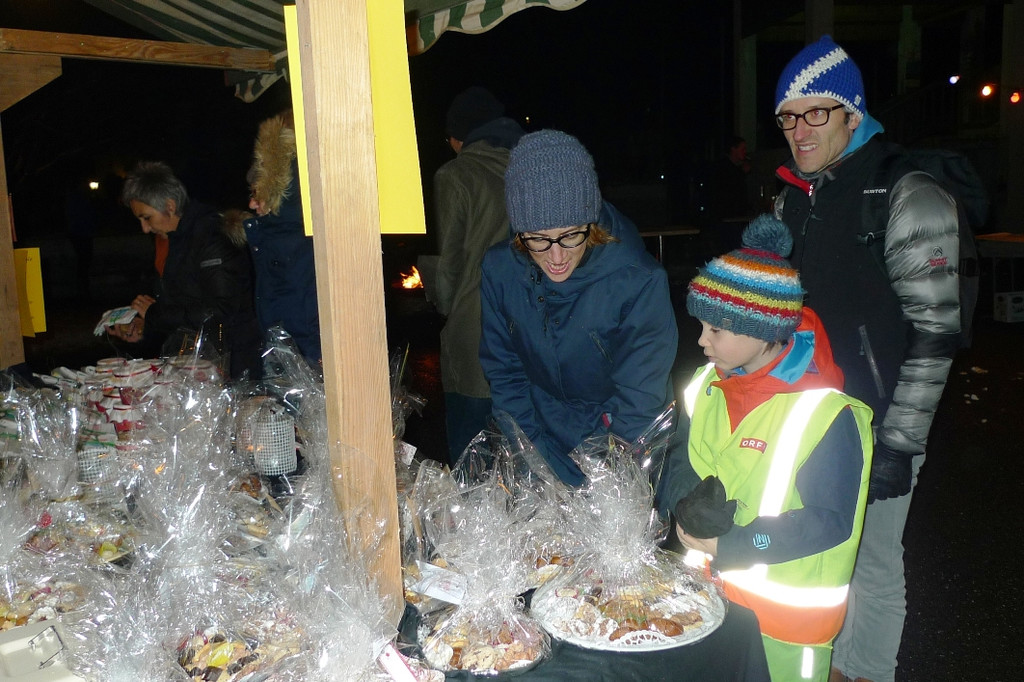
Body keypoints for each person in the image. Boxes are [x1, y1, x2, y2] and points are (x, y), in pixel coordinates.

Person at [771, 35, 962, 682]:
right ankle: (832, 667)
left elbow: (935, 332)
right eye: (787, 117)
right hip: (810, 418)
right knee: (823, 556)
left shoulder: (906, 194)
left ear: (852, 114)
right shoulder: (796, 195)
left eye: (815, 112)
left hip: (878, 417)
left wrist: (900, 443)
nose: (799, 130)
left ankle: (868, 672)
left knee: (874, 563)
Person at [661, 214, 874, 682]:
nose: (701, 340)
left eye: (717, 330)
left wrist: (736, 543)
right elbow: (679, 456)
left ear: (762, 331)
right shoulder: (705, 385)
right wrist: (684, 504)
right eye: (701, 325)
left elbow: (829, 520)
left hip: (785, 629)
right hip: (707, 603)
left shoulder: (825, 414)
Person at [478, 129, 678, 486]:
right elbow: (505, 374)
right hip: (538, 434)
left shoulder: (639, 280)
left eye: (571, 235)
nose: (556, 257)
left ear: (591, 222)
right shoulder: (500, 271)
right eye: (538, 239)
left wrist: (606, 477)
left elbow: (640, 399)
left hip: (620, 441)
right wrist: (534, 459)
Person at [433, 86, 524, 463]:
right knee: (522, 453)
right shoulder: (527, 170)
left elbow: (449, 263)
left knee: (472, 455)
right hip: (527, 325)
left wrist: (441, 302)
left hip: (475, 328)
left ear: (460, 137)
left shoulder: (455, 175)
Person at [107, 161, 262, 380]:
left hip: (232, 363)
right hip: (195, 361)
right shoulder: (170, 239)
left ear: (170, 206)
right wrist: (144, 328)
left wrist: (154, 314)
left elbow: (221, 311)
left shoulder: (211, 236)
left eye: (147, 217)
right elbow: (179, 305)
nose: (144, 228)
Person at [242, 110, 322, 365]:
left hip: (305, 361)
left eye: (257, 192)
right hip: (292, 358)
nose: (252, 204)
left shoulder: (292, 238)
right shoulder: (278, 235)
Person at [702, 135, 754, 257]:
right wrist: (742, 173)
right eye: (742, 149)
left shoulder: (735, 168)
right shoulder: (722, 168)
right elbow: (727, 190)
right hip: (725, 219)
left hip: (735, 218)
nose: (745, 152)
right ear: (733, 149)